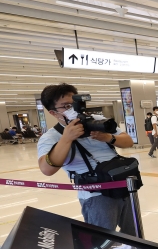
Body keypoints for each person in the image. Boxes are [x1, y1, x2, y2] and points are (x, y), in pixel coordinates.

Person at [37, 83, 136, 234]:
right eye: (66, 106)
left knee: (134, 234)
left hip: (124, 186)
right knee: (101, 242)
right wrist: (66, 138)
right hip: (96, 196)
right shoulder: (51, 137)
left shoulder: (96, 120)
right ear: (53, 113)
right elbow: (46, 169)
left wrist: (108, 137)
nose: (72, 109)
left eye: (74, 104)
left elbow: (128, 141)